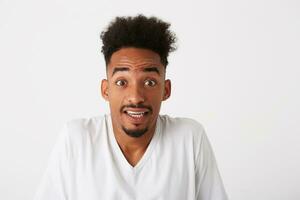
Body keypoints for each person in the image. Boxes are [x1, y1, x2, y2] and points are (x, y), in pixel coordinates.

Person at [34, 14, 228, 200]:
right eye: (121, 82)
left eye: (150, 82)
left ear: (166, 90)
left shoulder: (189, 138)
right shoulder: (77, 140)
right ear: (106, 89)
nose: (135, 97)